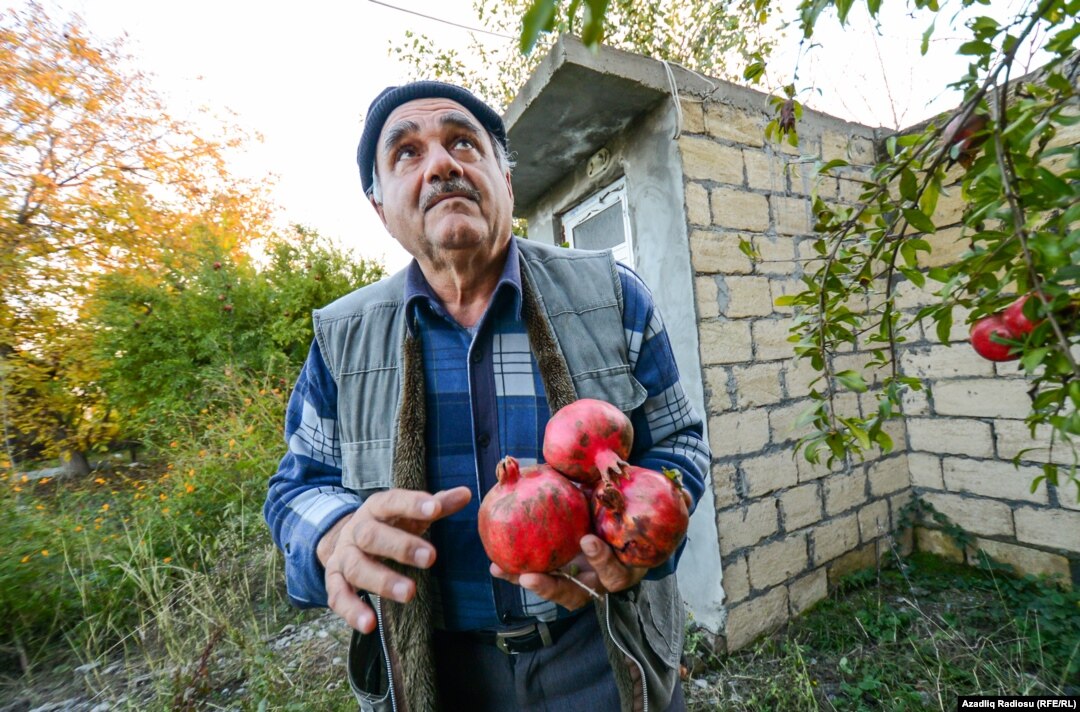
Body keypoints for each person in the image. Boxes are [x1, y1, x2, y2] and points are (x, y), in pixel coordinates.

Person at [264, 80, 710, 712]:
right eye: (407, 153)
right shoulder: (342, 339)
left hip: (602, 649)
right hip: (440, 671)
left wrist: (644, 541)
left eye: (463, 143)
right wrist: (334, 535)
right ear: (380, 208)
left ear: (506, 178)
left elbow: (680, 441)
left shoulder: (614, 295)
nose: (441, 165)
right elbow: (296, 488)